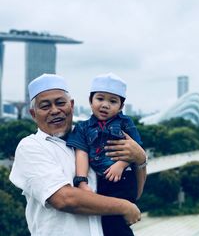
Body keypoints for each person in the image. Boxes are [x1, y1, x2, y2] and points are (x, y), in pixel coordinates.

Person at [9, 73, 147, 236]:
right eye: (45, 106)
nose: (54, 110)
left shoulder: (92, 136)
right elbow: (65, 199)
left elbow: (136, 193)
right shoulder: (31, 146)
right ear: (33, 114)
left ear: (72, 105)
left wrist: (140, 160)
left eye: (60, 103)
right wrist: (124, 207)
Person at [66, 73, 145, 236]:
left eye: (113, 101)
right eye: (100, 99)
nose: (105, 105)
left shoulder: (125, 123)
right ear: (90, 101)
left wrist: (120, 165)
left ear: (121, 106)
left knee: (115, 222)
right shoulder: (83, 127)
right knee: (103, 220)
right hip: (101, 181)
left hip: (123, 178)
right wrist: (81, 181)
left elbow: (135, 149)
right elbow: (81, 153)